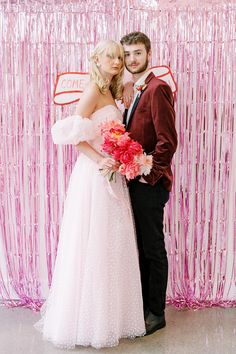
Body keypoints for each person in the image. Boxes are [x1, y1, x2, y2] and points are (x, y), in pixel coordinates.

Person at [34, 40, 145, 349]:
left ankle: (113, 317)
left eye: (119, 57)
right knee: (93, 243)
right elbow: (74, 136)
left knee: (112, 244)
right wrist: (101, 160)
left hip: (112, 175)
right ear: (96, 59)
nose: (116, 61)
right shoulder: (93, 91)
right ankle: (88, 322)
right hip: (94, 176)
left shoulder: (111, 90)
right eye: (110, 56)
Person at [120, 32, 178, 335]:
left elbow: (168, 141)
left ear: (149, 53)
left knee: (153, 248)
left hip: (150, 184)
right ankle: (143, 306)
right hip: (131, 181)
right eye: (127, 54)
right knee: (140, 247)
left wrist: (148, 174)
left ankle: (156, 312)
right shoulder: (132, 90)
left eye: (137, 53)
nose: (132, 60)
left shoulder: (158, 88)